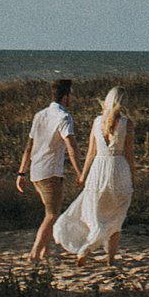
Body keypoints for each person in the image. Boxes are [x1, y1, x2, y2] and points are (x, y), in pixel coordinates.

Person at [53, 86, 135, 265]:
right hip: (119, 169)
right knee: (117, 216)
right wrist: (133, 177)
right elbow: (129, 154)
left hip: (98, 170)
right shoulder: (127, 123)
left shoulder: (97, 122)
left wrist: (83, 175)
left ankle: (87, 249)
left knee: (94, 213)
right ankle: (109, 258)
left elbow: (91, 152)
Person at [17, 78, 78, 262]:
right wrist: (79, 172)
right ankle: (35, 253)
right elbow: (71, 147)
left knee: (50, 212)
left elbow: (29, 146)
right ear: (66, 97)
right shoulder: (64, 117)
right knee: (52, 214)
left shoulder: (40, 115)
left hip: (36, 170)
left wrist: (21, 172)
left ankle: (45, 251)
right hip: (50, 171)